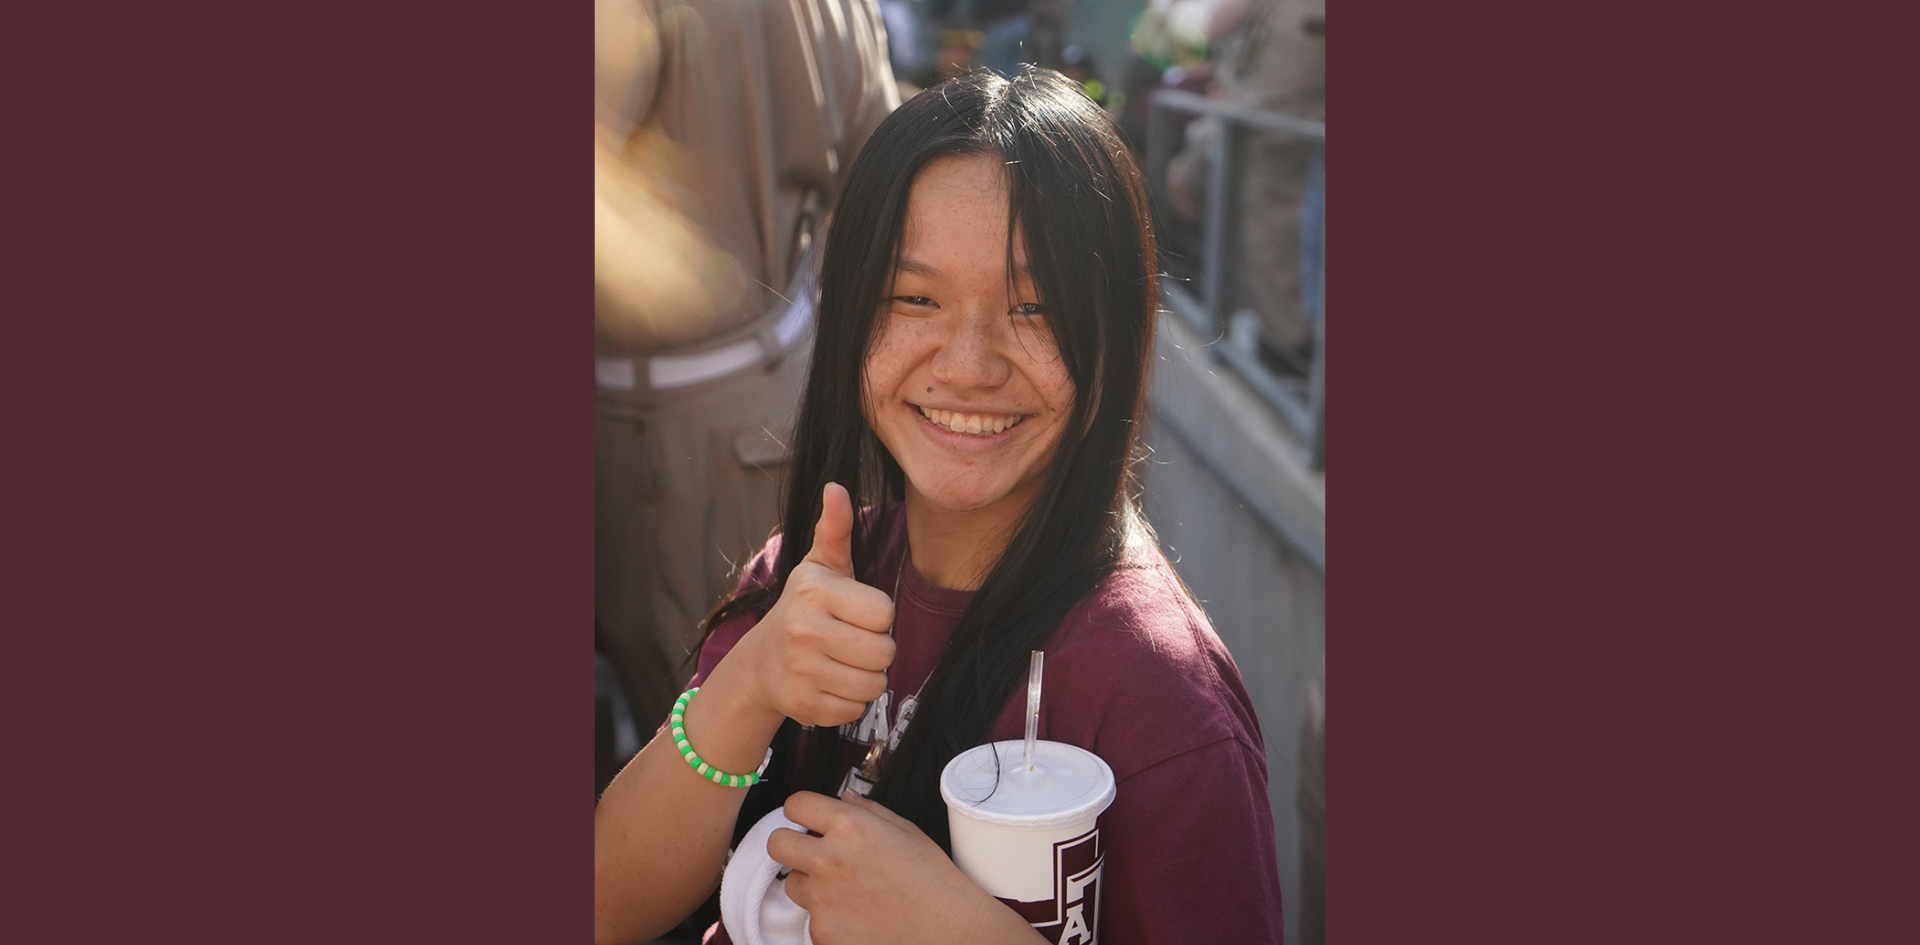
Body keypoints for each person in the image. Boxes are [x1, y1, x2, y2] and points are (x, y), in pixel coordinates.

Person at [594, 70, 1285, 945]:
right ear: (849, 316)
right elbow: (604, 906)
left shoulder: (1159, 697)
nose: (968, 364)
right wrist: (752, 678)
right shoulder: (812, 580)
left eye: (1032, 306)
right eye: (914, 297)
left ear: (1113, 336)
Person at [594, 0, 900, 742]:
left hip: (662, 433)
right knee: (772, 723)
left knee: (697, 737)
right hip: (789, 394)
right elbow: (885, 179)